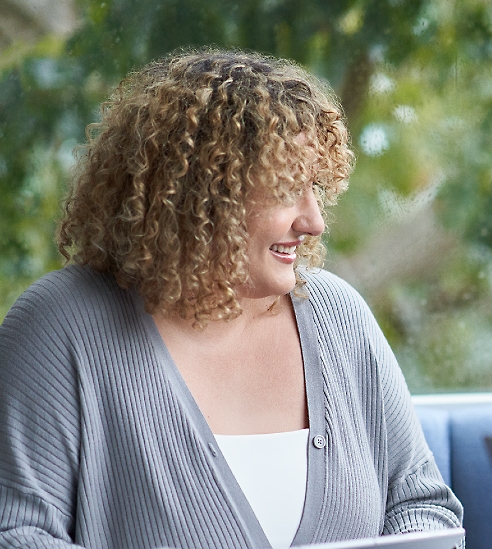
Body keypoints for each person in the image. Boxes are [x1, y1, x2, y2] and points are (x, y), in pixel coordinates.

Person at [0, 49, 464, 548]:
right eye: (287, 190)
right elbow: (17, 533)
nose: (314, 222)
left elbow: (422, 506)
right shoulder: (61, 325)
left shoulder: (338, 317)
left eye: (316, 188)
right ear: (204, 191)